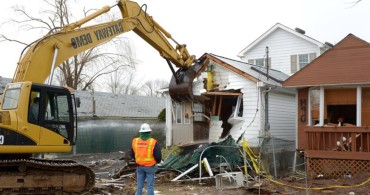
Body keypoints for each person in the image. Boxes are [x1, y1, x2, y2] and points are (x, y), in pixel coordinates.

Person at [130, 123, 162, 195]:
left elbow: (132, 154)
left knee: (139, 186)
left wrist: (138, 160)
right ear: (149, 132)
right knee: (150, 186)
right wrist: (157, 161)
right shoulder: (153, 142)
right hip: (150, 167)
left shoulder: (135, 141)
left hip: (139, 167)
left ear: (140, 132)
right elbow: (158, 156)